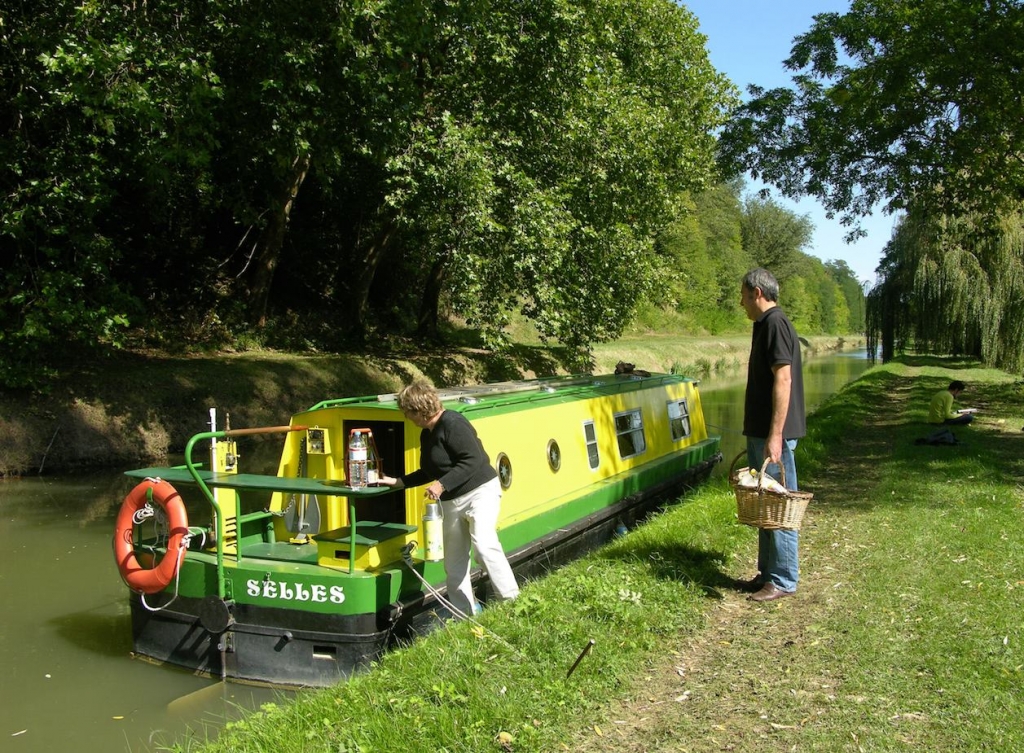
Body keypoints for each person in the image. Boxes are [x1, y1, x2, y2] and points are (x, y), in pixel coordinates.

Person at [376, 379, 519, 617]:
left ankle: (512, 602)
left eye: (407, 412)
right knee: (454, 563)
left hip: (479, 492)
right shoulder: (427, 433)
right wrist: (399, 482)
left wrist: (442, 484)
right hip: (451, 501)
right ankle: (464, 614)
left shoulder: (453, 422)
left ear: (419, 410)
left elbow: (472, 460)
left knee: (484, 545)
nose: (406, 418)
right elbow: (430, 470)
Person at [739, 268, 806, 603]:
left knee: (779, 505)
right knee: (764, 504)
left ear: (756, 293)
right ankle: (768, 573)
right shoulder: (763, 326)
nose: (741, 303)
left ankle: (782, 579)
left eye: (743, 296)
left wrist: (775, 435)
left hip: (772, 435)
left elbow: (784, 380)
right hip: (761, 433)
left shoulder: (776, 324)